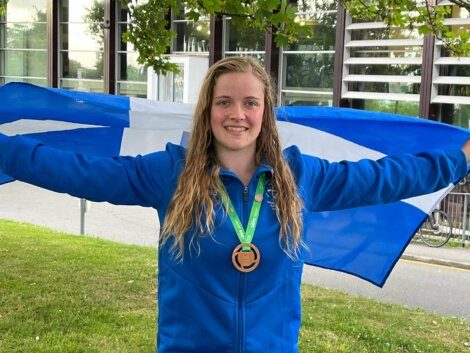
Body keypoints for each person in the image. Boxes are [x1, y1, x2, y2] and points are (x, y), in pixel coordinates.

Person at [0, 57, 469, 353]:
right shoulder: (169, 174)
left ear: (265, 112)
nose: (237, 114)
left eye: (250, 103)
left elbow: (390, 178)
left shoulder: (303, 178)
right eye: (224, 102)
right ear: (208, 110)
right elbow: (74, 171)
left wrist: (459, 160)